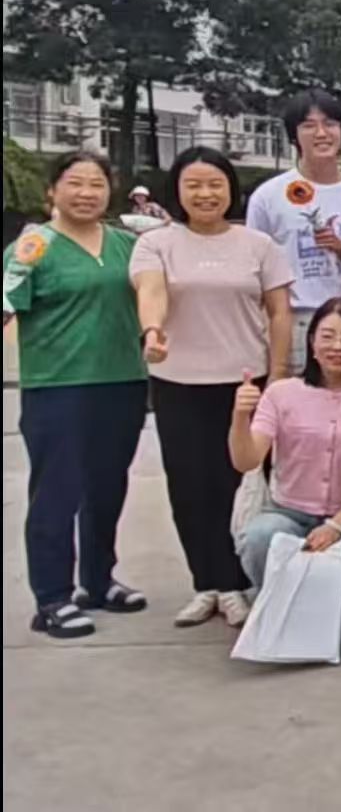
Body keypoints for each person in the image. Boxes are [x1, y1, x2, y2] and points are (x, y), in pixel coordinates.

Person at [131, 147, 294, 629]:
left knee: (238, 485)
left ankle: (237, 582)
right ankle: (208, 584)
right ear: (177, 191)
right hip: (178, 382)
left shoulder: (258, 245)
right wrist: (152, 331)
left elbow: (280, 312)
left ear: (230, 189)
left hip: (245, 383)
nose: (205, 193)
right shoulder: (157, 243)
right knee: (189, 487)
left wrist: (278, 374)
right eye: (194, 184)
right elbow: (151, 290)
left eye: (215, 184)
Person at [6, 153, 151, 638]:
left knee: (107, 487)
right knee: (57, 491)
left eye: (96, 184)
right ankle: (52, 597)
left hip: (123, 382)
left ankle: (98, 580)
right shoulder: (33, 246)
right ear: (52, 191)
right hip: (57, 386)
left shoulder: (128, 245)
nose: (86, 193)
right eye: (75, 183)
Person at [230, 298, 341, 590]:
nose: (338, 346)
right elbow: (246, 461)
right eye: (327, 336)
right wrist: (240, 416)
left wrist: (336, 524)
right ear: (311, 343)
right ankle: (270, 602)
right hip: (287, 511)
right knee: (260, 538)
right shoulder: (281, 393)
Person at [245, 92, 341, 372]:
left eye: (330, 124)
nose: (321, 133)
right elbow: (254, 271)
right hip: (295, 321)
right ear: (293, 136)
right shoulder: (268, 196)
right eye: (308, 125)